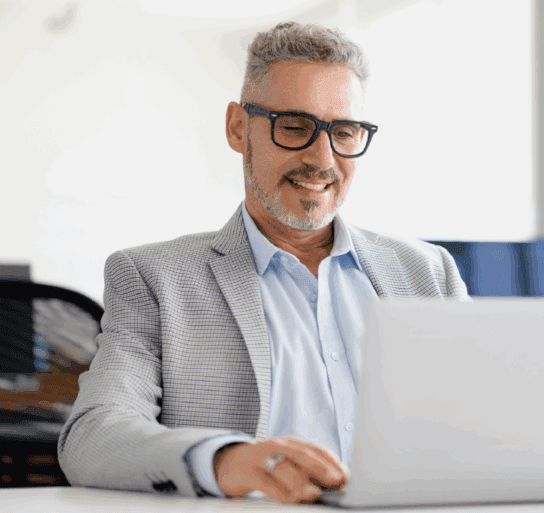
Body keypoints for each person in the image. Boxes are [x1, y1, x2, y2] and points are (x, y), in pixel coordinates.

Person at [58, 21, 469, 504]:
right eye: (294, 127)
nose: (322, 158)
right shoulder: (154, 278)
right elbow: (93, 437)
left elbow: (484, 423)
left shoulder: (428, 272)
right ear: (238, 128)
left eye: (345, 131)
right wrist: (227, 459)